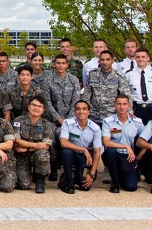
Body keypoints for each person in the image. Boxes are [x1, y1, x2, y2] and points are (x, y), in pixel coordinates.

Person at [44, 53, 81, 181]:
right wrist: (57, 118)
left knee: (67, 138)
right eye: (58, 63)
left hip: (70, 119)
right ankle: (53, 168)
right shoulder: (48, 80)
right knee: (52, 137)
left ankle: (70, 168)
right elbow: (47, 102)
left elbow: (76, 102)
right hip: (52, 118)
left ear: (67, 65)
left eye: (63, 63)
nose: (60, 65)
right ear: (54, 64)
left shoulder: (73, 80)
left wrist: (67, 120)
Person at [102, 94, 145, 193]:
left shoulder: (137, 122)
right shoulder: (108, 121)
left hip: (128, 157)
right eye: (119, 104)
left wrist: (138, 158)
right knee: (111, 152)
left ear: (129, 106)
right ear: (115, 105)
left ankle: (124, 174)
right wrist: (126, 146)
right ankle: (115, 182)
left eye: (124, 104)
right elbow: (106, 142)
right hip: (114, 155)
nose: (122, 107)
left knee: (131, 187)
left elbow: (145, 140)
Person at [58, 100, 102, 194]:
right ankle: (69, 182)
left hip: (85, 159)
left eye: (84, 109)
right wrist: (83, 149)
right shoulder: (67, 123)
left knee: (85, 186)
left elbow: (97, 152)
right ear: (75, 111)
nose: (81, 112)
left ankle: (71, 177)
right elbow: (63, 143)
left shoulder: (96, 128)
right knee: (66, 152)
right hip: (71, 155)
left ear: (89, 112)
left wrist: (92, 174)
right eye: (78, 109)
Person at [13, 95, 54, 193]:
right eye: (33, 105)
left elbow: (45, 146)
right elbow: (17, 141)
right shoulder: (18, 121)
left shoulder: (47, 124)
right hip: (21, 156)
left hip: (35, 154)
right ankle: (29, 175)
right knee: (23, 185)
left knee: (43, 154)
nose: (36, 108)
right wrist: (36, 145)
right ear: (28, 106)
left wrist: (27, 148)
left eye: (39, 106)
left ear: (43, 109)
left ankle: (40, 180)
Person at [81, 50, 131, 124]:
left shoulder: (119, 76)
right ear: (99, 61)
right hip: (94, 116)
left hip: (112, 117)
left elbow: (126, 96)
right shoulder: (93, 75)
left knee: (113, 135)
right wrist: (85, 111)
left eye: (108, 59)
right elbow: (87, 95)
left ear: (112, 61)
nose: (105, 62)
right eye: (102, 59)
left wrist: (128, 112)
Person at [126, 48, 152, 124]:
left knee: (151, 133)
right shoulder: (129, 75)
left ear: (148, 58)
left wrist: (151, 105)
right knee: (135, 133)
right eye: (138, 57)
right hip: (136, 109)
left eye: (143, 57)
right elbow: (126, 94)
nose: (140, 59)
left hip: (151, 109)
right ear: (135, 58)